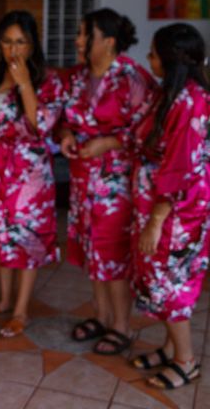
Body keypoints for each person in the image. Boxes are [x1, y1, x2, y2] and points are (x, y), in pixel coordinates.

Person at [59, 8, 155, 355]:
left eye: (86, 34)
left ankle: (121, 326)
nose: (79, 40)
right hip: (83, 181)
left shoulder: (133, 79)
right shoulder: (78, 78)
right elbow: (66, 117)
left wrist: (110, 142)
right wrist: (68, 133)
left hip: (116, 186)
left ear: (109, 41)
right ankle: (100, 316)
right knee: (91, 252)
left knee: (112, 255)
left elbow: (149, 132)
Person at [0, 11, 63, 337]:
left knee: (26, 242)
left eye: (20, 42)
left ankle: (21, 310)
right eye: (7, 41)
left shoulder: (48, 81)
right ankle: (5, 300)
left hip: (29, 178)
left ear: (32, 45)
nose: (13, 50)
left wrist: (24, 85)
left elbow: (42, 125)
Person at [130, 23, 210, 389]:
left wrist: (156, 220)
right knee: (158, 279)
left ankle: (185, 360)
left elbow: (180, 166)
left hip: (178, 214)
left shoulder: (191, 101)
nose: (149, 59)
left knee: (171, 283)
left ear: (170, 59)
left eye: (153, 54)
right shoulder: (171, 95)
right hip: (159, 206)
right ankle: (168, 347)